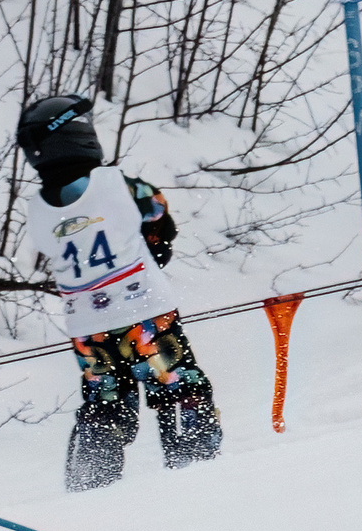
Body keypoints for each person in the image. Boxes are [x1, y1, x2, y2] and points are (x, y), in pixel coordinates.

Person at [17, 93, 223, 491]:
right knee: (180, 387)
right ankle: (198, 471)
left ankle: (92, 483)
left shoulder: (38, 209)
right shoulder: (119, 186)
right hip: (145, 315)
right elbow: (159, 218)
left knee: (105, 403)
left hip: (88, 330)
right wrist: (152, 247)